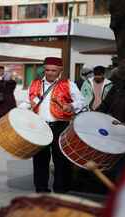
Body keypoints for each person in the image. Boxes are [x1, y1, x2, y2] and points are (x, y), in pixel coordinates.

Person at [19, 57, 86, 193]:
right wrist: (22, 108)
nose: (50, 73)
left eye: (53, 70)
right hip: (40, 126)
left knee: (61, 160)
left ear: (60, 70)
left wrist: (71, 106)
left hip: (60, 126)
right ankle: (41, 188)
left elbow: (82, 101)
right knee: (40, 159)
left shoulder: (68, 84)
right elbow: (26, 102)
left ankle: (61, 188)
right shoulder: (35, 83)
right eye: (47, 70)